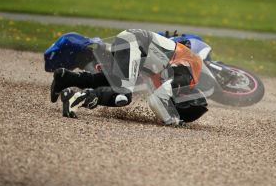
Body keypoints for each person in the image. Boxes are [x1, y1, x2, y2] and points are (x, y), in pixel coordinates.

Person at [49, 29, 212, 125]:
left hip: (132, 42)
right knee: (122, 96)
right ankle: (79, 98)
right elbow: (156, 100)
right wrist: (173, 120)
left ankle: (66, 78)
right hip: (134, 44)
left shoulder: (183, 68)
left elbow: (155, 89)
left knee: (111, 80)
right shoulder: (187, 76)